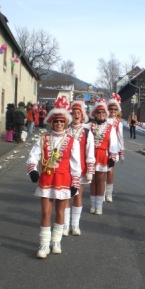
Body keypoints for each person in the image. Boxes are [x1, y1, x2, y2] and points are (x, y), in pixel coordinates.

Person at [26, 96, 81, 259]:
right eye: (56, 121)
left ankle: (56, 241)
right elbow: (33, 156)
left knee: (60, 212)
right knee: (45, 212)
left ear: (65, 123)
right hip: (46, 180)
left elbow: (76, 164)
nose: (58, 124)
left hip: (63, 180)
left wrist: (75, 183)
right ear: (51, 122)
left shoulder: (72, 141)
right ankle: (44, 244)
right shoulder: (43, 139)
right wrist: (32, 170)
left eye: (61, 121)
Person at [63, 100, 95, 236]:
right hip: (65, 168)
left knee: (77, 195)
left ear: (82, 116)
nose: (76, 114)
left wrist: (90, 170)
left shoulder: (87, 132)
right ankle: (64, 225)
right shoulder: (65, 130)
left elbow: (90, 151)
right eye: (73, 112)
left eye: (78, 113)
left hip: (80, 169)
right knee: (65, 197)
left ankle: (75, 225)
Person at [88, 98, 118, 215]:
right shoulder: (89, 126)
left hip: (103, 155)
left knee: (100, 181)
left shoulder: (110, 127)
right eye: (99, 112)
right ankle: (93, 204)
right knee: (92, 181)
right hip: (91, 154)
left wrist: (112, 157)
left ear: (106, 114)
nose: (101, 114)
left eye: (103, 112)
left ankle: (99, 206)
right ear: (95, 113)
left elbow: (113, 142)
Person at [105, 93, 124, 203]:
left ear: (117, 110)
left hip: (113, 148)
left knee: (110, 170)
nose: (112, 111)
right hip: (103, 148)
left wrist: (121, 152)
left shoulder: (118, 123)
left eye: (114, 109)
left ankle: (109, 193)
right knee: (101, 170)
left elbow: (120, 138)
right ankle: (101, 192)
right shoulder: (104, 120)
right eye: (110, 109)